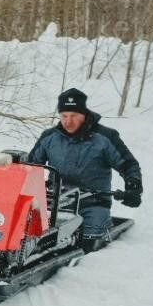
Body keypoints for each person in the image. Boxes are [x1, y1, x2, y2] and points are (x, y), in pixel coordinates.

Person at [27, 88, 143, 252]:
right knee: (32, 240)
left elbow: (128, 165)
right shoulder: (49, 137)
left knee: (87, 244)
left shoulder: (105, 138)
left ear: (84, 113)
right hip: (56, 204)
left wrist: (133, 187)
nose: (68, 121)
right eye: (64, 116)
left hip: (93, 203)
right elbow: (30, 167)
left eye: (74, 116)